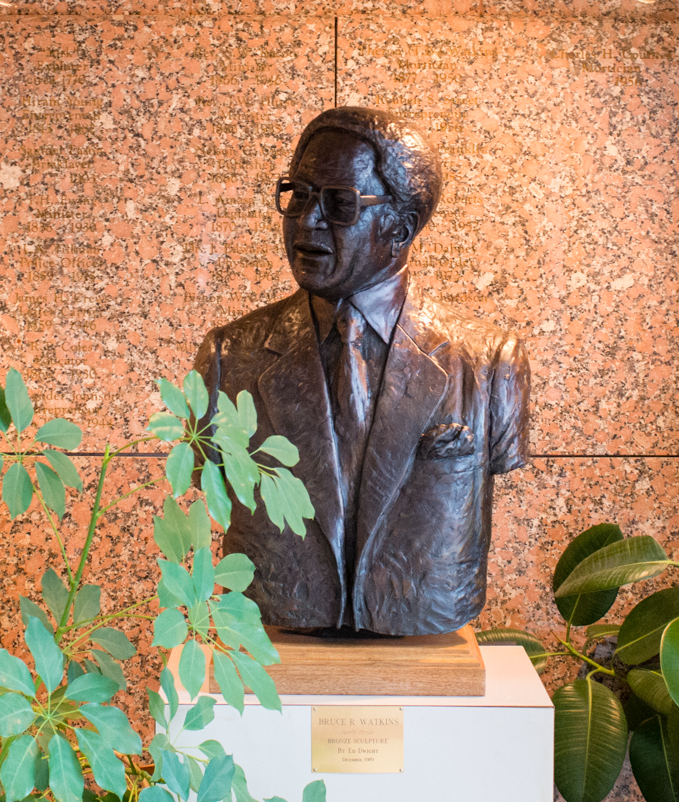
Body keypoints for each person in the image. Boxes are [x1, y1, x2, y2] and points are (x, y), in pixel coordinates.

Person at [192, 106, 530, 637]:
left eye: (339, 204)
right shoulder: (228, 358)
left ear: (401, 227)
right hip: (276, 621)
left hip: (425, 619)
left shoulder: (488, 363)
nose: (307, 220)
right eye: (298, 195)